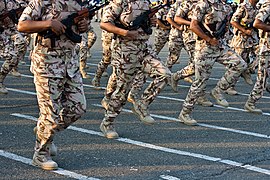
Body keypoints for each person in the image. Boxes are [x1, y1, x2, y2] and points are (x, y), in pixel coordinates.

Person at [18, 0, 89, 170]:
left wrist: (83, 25)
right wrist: (49, 23)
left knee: (78, 108)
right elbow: (22, 25)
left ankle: (45, 131)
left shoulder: (78, 3)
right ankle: (41, 154)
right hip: (47, 65)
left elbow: (79, 31)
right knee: (50, 114)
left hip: (70, 65)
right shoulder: (41, 2)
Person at [99, 0, 171, 139]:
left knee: (165, 74)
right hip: (125, 52)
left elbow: (149, 25)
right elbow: (104, 23)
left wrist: (151, 21)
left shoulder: (146, 2)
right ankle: (107, 123)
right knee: (122, 92)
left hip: (144, 49)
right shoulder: (121, 2)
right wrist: (124, 32)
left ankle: (142, 104)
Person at [178, 0, 247, 126]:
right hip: (204, 49)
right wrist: (208, 39)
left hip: (220, 47)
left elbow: (225, 27)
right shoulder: (203, 4)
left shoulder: (225, 6)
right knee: (199, 82)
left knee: (240, 64)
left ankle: (218, 90)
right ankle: (185, 113)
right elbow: (193, 25)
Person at [229, 0, 259, 95]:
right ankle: (230, 86)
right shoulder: (243, 7)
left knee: (262, 55)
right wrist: (243, 30)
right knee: (238, 64)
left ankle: (248, 70)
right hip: (241, 40)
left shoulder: (257, 8)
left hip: (253, 39)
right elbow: (233, 21)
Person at [244, 1, 270, 114]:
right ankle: (251, 102)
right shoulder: (268, 6)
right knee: (262, 78)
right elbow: (257, 23)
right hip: (267, 49)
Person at [0, 0, 25, 94]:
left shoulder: (16, 2)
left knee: (21, 45)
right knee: (11, 56)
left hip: (9, 31)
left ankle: (2, 79)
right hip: (1, 31)